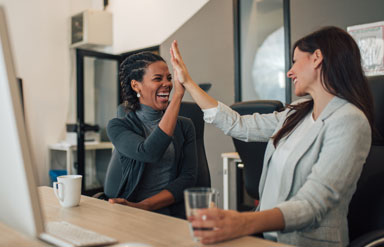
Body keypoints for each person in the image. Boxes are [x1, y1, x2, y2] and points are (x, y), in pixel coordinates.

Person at [170, 26, 374, 246]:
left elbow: (313, 203)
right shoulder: (297, 113)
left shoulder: (349, 120)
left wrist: (243, 221)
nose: (289, 71)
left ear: (317, 58)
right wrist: (188, 82)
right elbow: (239, 125)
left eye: (295, 61)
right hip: (266, 239)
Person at [106, 52, 198, 219]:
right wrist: (178, 96)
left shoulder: (185, 126)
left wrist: (145, 206)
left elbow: (188, 177)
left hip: (171, 213)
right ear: (136, 86)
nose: (167, 84)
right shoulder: (118, 126)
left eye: (169, 78)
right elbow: (149, 152)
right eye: (157, 79)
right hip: (131, 212)